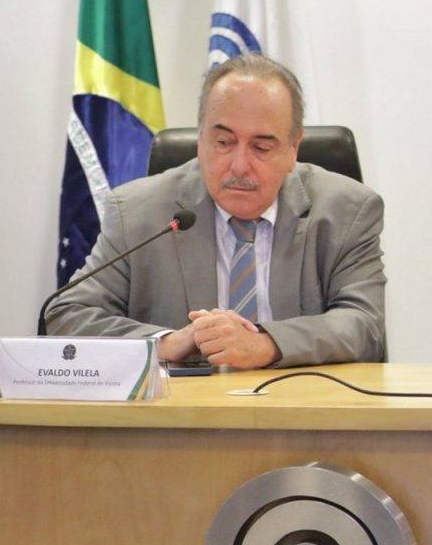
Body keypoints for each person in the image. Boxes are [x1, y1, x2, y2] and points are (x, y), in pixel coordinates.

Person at [46, 54, 386, 368]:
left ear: (293, 149)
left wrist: (266, 344)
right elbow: (67, 314)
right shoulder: (137, 213)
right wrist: (166, 342)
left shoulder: (347, 211)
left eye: (261, 147)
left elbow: (364, 325)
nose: (239, 165)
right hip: (183, 412)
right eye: (224, 143)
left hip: (301, 408)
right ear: (200, 140)